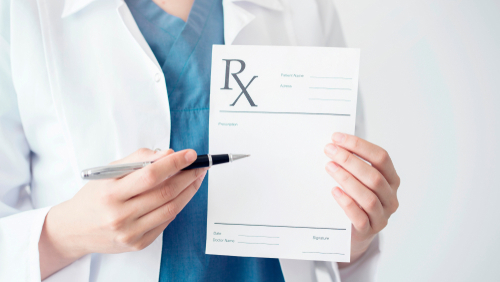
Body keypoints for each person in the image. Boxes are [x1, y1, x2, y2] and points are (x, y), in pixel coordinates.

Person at [0, 0, 400, 281]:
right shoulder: (22, 12)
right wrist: (68, 231)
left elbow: (337, 234)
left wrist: (354, 235)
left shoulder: (305, 8)